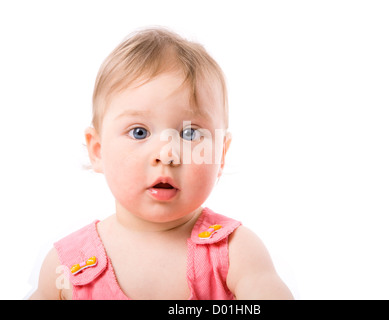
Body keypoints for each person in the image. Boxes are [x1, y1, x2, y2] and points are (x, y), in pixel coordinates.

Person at [29, 27, 293, 300]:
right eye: (139, 132)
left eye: (190, 133)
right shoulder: (67, 267)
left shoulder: (236, 254)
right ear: (98, 151)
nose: (166, 154)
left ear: (221, 155)